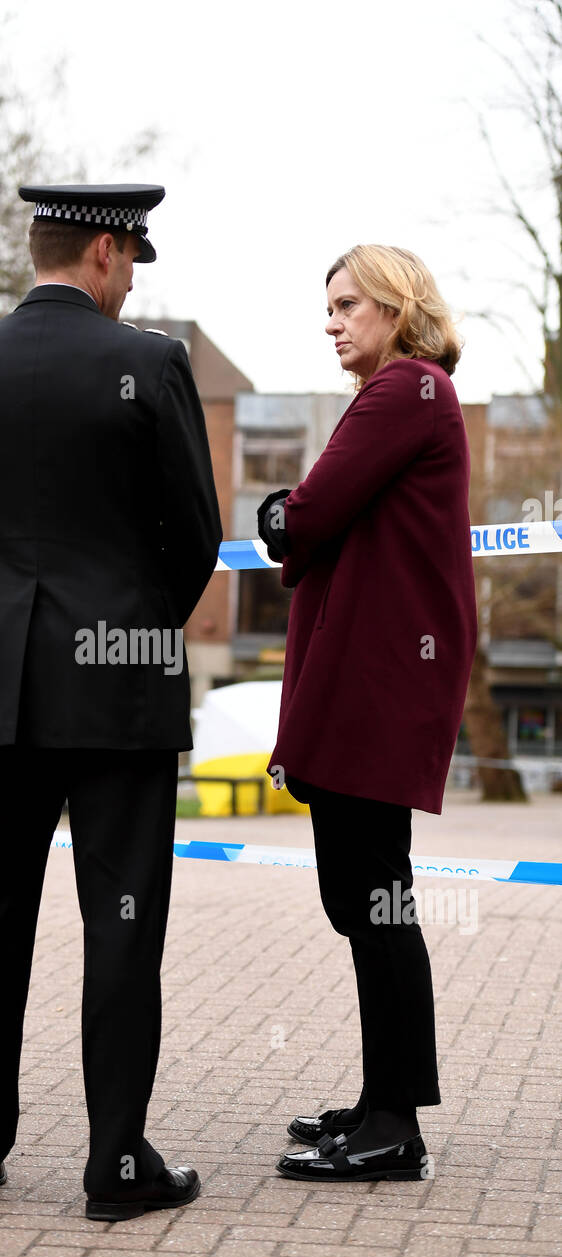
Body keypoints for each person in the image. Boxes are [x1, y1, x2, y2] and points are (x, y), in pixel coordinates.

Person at [0, 182, 222, 1218]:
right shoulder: (149, 363)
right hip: (120, 683)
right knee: (121, 921)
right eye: (131, 258)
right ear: (101, 253)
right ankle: (113, 1163)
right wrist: (135, 618)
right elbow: (194, 530)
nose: (132, 277)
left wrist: (7, 609)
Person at [257, 245, 477, 1182]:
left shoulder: (405, 391)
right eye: (330, 306)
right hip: (377, 680)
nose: (333, 320)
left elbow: (304, 518)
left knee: (376, 896)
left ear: (398, 305)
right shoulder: (409, 394)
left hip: (380, 684)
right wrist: (293, 512)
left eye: (349, 304)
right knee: (364, 896)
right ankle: (382, 1096)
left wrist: (278, 510)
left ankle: (394, 1124)